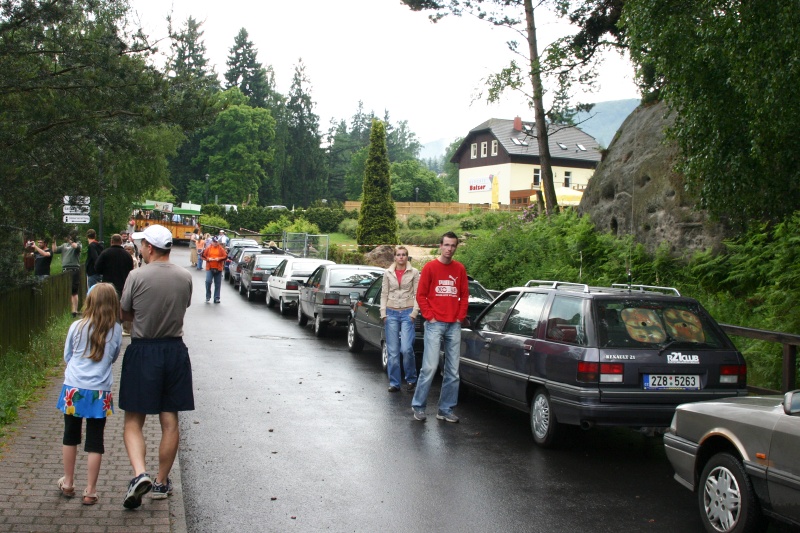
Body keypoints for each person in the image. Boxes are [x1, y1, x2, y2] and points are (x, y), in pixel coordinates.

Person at [119, 224, 193, 509]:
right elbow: (182, 307)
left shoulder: (136, 276)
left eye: (142, 245)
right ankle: (161, 482)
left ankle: (140, 474)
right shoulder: (185, 277)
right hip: (174, 350)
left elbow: (125, 312)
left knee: (133, 419)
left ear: (149, 247)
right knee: (169, 418)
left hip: (144, 350)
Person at [56, 283, 122, 506]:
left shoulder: (76, 326)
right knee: (95, 440)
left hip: (73, 387)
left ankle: (68, 483)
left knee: (70, 435)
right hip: (99, 391)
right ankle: (91, 491)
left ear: (89, 301)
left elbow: (68, 356)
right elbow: (113, 358)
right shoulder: (116, 330)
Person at [411, 231, 469, 423]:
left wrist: (460, 317)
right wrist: (430, 316)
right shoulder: (430, 268)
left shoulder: (459, 269)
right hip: (435, 324)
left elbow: (464, 295)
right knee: (429, 367)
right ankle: (418, 406)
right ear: (440, 246)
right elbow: (421, 295)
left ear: (455, 247)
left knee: (453, 371)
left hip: (454, 325)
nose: (449, 249)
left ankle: (445, 409)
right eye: (446, 245)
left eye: (453, 245)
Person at [380, 246, 420, 393]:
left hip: (407, 313)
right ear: (395, 257)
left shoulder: (414, 272)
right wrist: (383, 313)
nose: (401, 257)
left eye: (404, 255)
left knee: (407, 348)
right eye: (398, 255)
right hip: (391, 313)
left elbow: (418, 294)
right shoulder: (388, 273)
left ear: (407, 257)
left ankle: (411, 379)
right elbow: (384, 293)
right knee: (393, 351)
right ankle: (395, 383)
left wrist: (414, 312)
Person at [54, 233, 82, 317]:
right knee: (66, 290)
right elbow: (55, 250)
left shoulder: (78, 243)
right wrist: (53, 241)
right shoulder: (63, 245)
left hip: (74, 269)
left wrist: (70, 240)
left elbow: (75, 247)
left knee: (74, 291)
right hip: (65, 269)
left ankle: (75, 311)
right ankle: (68, 309)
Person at [200, 236, 227, 304]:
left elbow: (225, 256)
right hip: (210, 267)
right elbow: (203, 255)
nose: (215, 243)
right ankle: (208, 296)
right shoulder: (208, 248)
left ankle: (216, 298)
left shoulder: (221, 249)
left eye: (216, 242)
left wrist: (219, 259)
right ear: (212, 241)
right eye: (214, 241)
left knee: (217, 284)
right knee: (208, 282)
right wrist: (208, 259)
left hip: (218, 268)